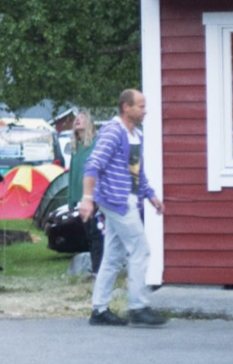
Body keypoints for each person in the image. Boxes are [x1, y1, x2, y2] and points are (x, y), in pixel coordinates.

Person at [79, 89, 166, 327]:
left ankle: (99, 311)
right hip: (115, 201)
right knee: (141, 249)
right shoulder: (113, 131)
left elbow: (135, 172)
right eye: (140, 106)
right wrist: (87, 198)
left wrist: (150, 195)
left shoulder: (135, 135)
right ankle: (137, 306)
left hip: (128, 199)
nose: (144, 110)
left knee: (113, 256)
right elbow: (93, 164)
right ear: (126, 108)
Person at [67, 111, 104, 275]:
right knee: (89, 234)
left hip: (94, 198)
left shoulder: (96, 144)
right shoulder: (76, 148)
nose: (77, 120)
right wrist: (70, 200)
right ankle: (96, 269)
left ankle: (98, 272)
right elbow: (72, 174)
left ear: (89, 124)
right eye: (76, 119)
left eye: (82, 118)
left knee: (97, 234)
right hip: (81, 199)